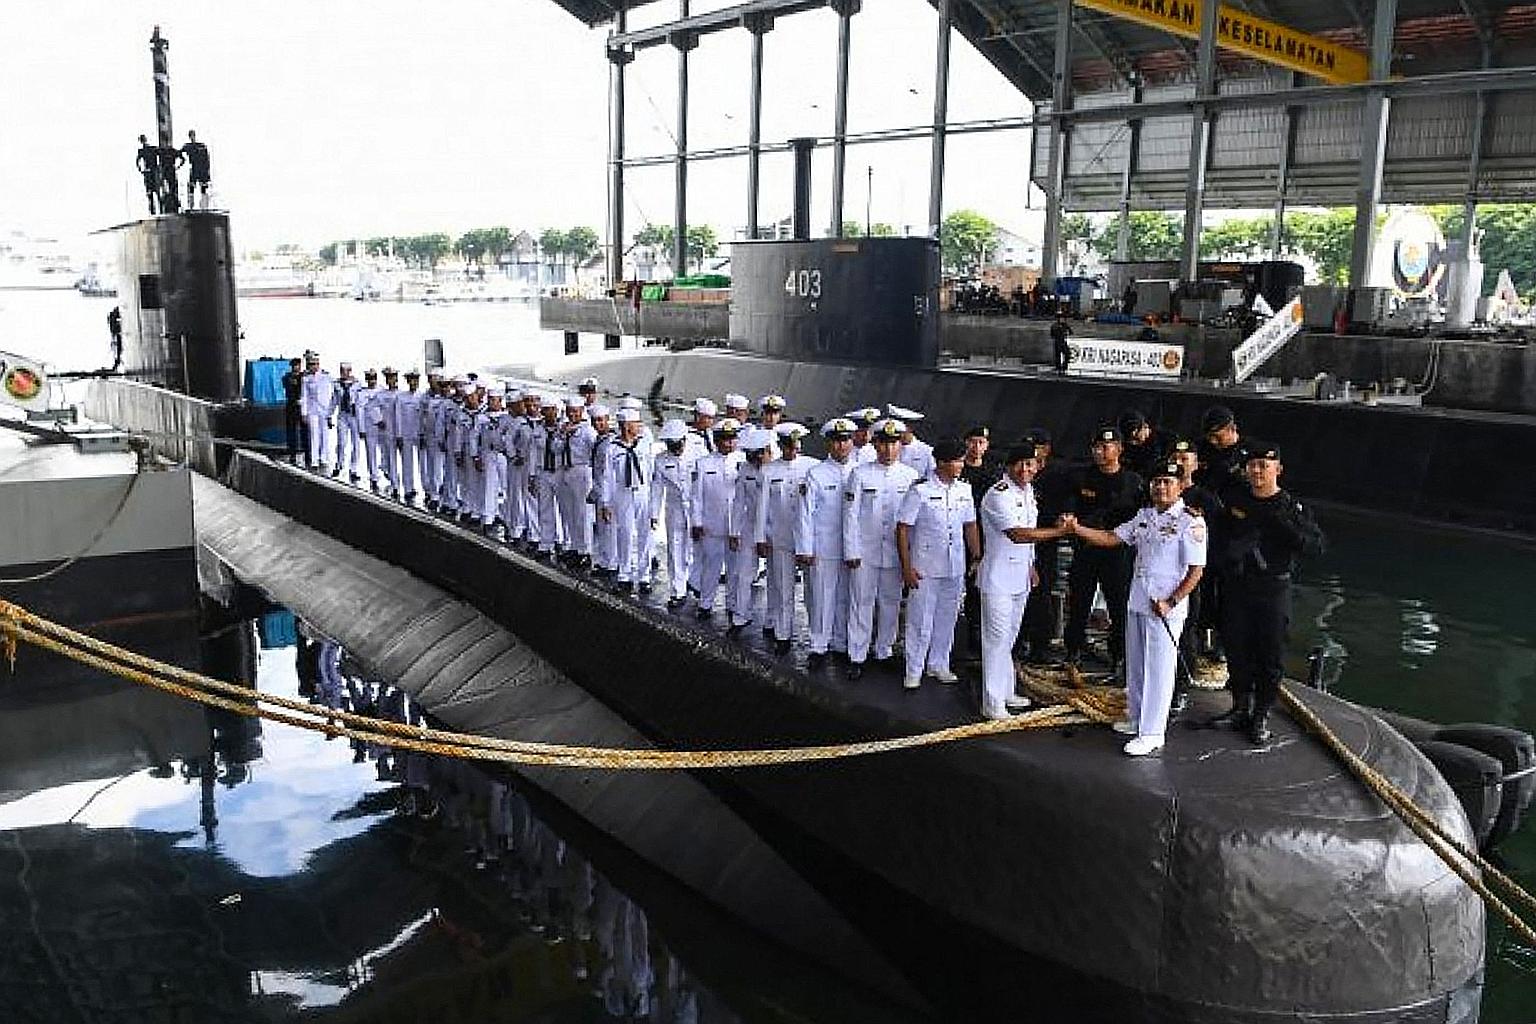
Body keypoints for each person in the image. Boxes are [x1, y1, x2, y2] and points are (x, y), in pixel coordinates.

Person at [1068, 461, 1207, 755]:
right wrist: (1076, 529)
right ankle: (1136, 716)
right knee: (1137, 664)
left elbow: (1196, 570)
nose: (1161, 487)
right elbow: (1111, 538)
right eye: (1157, 481)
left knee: (1159, 668)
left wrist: (1172, 601)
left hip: (1165, 607)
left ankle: (1153, 731)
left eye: (1168, 482)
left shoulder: (1190, 522)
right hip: (1139, 600)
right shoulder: (1144, 516)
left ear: (1181, 486)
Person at [1205, 444, 1325, 745]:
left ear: (1277, 470)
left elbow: (1316, 547)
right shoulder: (1235, 502)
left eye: (1264, 466)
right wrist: (1227, 558)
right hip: (1238, 587)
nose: (1257, 471)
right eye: (1253, 465)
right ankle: (1240, 706)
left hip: (1272, 589)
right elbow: (1216, 540)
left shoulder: (1291, 508)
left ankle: (1261, 713)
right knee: (1236, 647)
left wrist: (1286, 530)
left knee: (1270, 654)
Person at [976, 443, 1073, 720]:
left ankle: (1006, 691)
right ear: (1009, 466)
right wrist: (1057, 532)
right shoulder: (998, 495)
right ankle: (992, 702)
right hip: (997, 578)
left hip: (1019, 577)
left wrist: (1031, 565)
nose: (1025, 469)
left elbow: (1027, 536)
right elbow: (1018, 534)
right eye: (1020, 463)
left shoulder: (1028, 491)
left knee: (1009, 638)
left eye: (1030, 464)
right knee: (995, 640)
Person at [895, 439, 980, 690]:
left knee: (947, 617)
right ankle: (914, 669)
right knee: (920, 620)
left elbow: (970, 524)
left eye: (961, 460)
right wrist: (906, 567)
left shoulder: (964, 490)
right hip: (925, 567)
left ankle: (938, 663)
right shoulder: (919, 490)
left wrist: (976, 556)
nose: (961, 465)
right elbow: (902, 529)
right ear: (941, 462)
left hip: (954, 565)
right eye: (956, 461)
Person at [841, 419, 921, 679]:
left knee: (890, 602)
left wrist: (910, 555)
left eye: (893, 444)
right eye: (883, 444)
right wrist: (851, 550)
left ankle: (884, 649)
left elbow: (913, 521)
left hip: (895, 553)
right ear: (875, 444)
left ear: (900, 445)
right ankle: (857, 654)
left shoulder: (909, 476)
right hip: (865, 551)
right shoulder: (860, 474)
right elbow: (850, 516)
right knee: (861, 602)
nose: (888, 450)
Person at [1063, 426, 1144, 671]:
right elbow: (1071, 511)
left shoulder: (1133, 482)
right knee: (1079, 604)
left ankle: (1119, 655)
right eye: (1096, 447)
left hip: (1117, 554)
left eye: (1105, 447)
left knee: (1119, 606)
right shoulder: (1082, 478)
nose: (1099, 452)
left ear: (1119, 449)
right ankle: (1073, 650)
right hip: (1086, 549)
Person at [795, 417, 858, 668]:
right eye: (837, 441)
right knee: (822, 596)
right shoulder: (816, 474)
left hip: (852, 548)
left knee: (845, 596)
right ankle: (819, 645)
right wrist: (805, 548)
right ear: (829, 444)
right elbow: (805, 515)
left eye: (846, 441)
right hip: (824, 547)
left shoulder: (860, 471)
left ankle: (841, 642)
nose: (842, 446)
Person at [755, 422, 817, 653]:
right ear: (781, 446)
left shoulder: (812, 467)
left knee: (813, 591)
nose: (793, 450)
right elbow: (762, 508)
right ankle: (783, 635)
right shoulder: (769, 471)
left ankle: (818, 639)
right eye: (789, 446)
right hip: (780, 537)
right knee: (783, 588)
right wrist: (760, 537)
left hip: (807, 540)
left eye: (796, 446)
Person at [690, 419, 742, 619]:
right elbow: (697, 496)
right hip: (712, 525)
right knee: (711, 566)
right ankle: (705, 603)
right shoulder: (703, 464)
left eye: (732, 439)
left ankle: (732, 604)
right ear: (717, 440)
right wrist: (696, 522)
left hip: (736, 525)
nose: (729, 443)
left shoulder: (743, 461)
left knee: (734, 569)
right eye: (725, 440)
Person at [600, 408, 656, 594]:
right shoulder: (612, 448)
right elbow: (607, 477)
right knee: (624, 533)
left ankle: (644, 576)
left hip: (642, 492)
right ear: (626, 426)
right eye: (636, 423)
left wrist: (653, 503)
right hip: (622, 493)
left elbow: (652, 473)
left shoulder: (644, 445)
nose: (639, 426)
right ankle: (624, 574)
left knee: (645, 535)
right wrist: (606, 503)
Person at [650, 420, 693, 608]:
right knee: (675, 548)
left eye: (678, 445)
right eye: (671, 445)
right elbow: (657, 488)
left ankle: (695, 582)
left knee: (695, 548)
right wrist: (654, 514)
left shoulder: (697, 455)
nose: (675, 449)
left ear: (684, 440)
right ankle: (678, 590)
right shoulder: (661, 459)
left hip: (695, 508)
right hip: (674, 507)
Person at [329, 362, 364, 480]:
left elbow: (361, 402)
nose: (345, 373)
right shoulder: (337, 384)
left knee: (356, 443)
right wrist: (329, 414)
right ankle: (339, 464)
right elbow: (334, 400)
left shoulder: (357, 384)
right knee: (341, 442)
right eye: (343, 370)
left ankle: (353, 469)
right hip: (342, 415)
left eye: (347, 370)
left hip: (354, 416)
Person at [300, 353, 334, 471]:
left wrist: (330, 411)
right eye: (311, 364)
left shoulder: (326, 376)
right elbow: (304, 396)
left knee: (324, 434)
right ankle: (314, 460)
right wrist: (303, 413)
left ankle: (323, 457)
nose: (313, 366)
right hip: (312, 409)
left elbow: (333, 391)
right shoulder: (306, 379)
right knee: (313, 434)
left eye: (315, 364)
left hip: (324, 410)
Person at [1119, 409, 1170, 481]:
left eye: (1136, 436)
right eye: (1130, 440)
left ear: (1145, 426)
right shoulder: (1127, 448)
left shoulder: (1166, 439)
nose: (1134, 442)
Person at [280, 357, 306, 464]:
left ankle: (306, 452)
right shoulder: (287, 377)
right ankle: (292, 453)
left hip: (301, 406)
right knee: (291, 430)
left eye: (297, 365)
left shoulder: (304, 377)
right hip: (291, 405)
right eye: (294, 365)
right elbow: (287, 386)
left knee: (303, 430)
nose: (296, 367)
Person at [179, 130, 211, 209]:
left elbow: (207, 159)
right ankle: (191, 206)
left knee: (203, 187)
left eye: (193, 135)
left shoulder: (201, 146)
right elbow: (178, 153)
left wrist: (207, 171)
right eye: (191, 136)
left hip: (202, 169)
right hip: (194, 168)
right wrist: (181, 161)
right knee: (191, 187)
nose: (192, 137)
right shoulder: (188, 146)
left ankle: (204, 206)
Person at [135, 135, 160, 214]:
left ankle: (155, 210)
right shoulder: (148, 149)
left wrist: (141, 170)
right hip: (151, 171)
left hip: (152, 171)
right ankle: (153, 210)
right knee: (152, 192)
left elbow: (137, 162)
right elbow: (137, 162)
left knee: (155, 191)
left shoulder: (151, 149)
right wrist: (141, 170)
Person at [107, 306, 123, 371]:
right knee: (118, 347)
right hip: (116, 334)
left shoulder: (112, 317)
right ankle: (117, 361)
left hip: (116, 334)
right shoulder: (112, 317)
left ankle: (117, 361)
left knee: (117, 347)